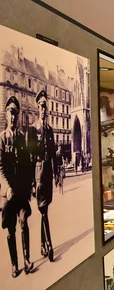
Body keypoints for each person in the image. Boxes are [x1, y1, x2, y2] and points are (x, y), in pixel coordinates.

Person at [0, 96, 34, 277]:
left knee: (24, 222)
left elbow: (27, 165)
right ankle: (15, 264)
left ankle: (26, 259)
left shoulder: (21, 138)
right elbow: (0, 169)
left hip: (20, 191)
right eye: (11, 113)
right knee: (10, 227)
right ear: (6, 115)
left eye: (16, 114)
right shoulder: (2, 139)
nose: (13, 117)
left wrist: (30, 186)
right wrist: (6, 188)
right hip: (8, 192)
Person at [30, 90, 57, 262]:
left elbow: (53, 153)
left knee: (45, 209)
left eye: (45, 106)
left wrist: (56, 172)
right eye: (41, 106)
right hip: (38, 172)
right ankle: (50, 245)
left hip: (48, 172)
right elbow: (30, 157)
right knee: (43, 210)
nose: (44, 109)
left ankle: (42, 244)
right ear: (37, 108)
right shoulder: (33, 129)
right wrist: (32, 182)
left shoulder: (50, 130)